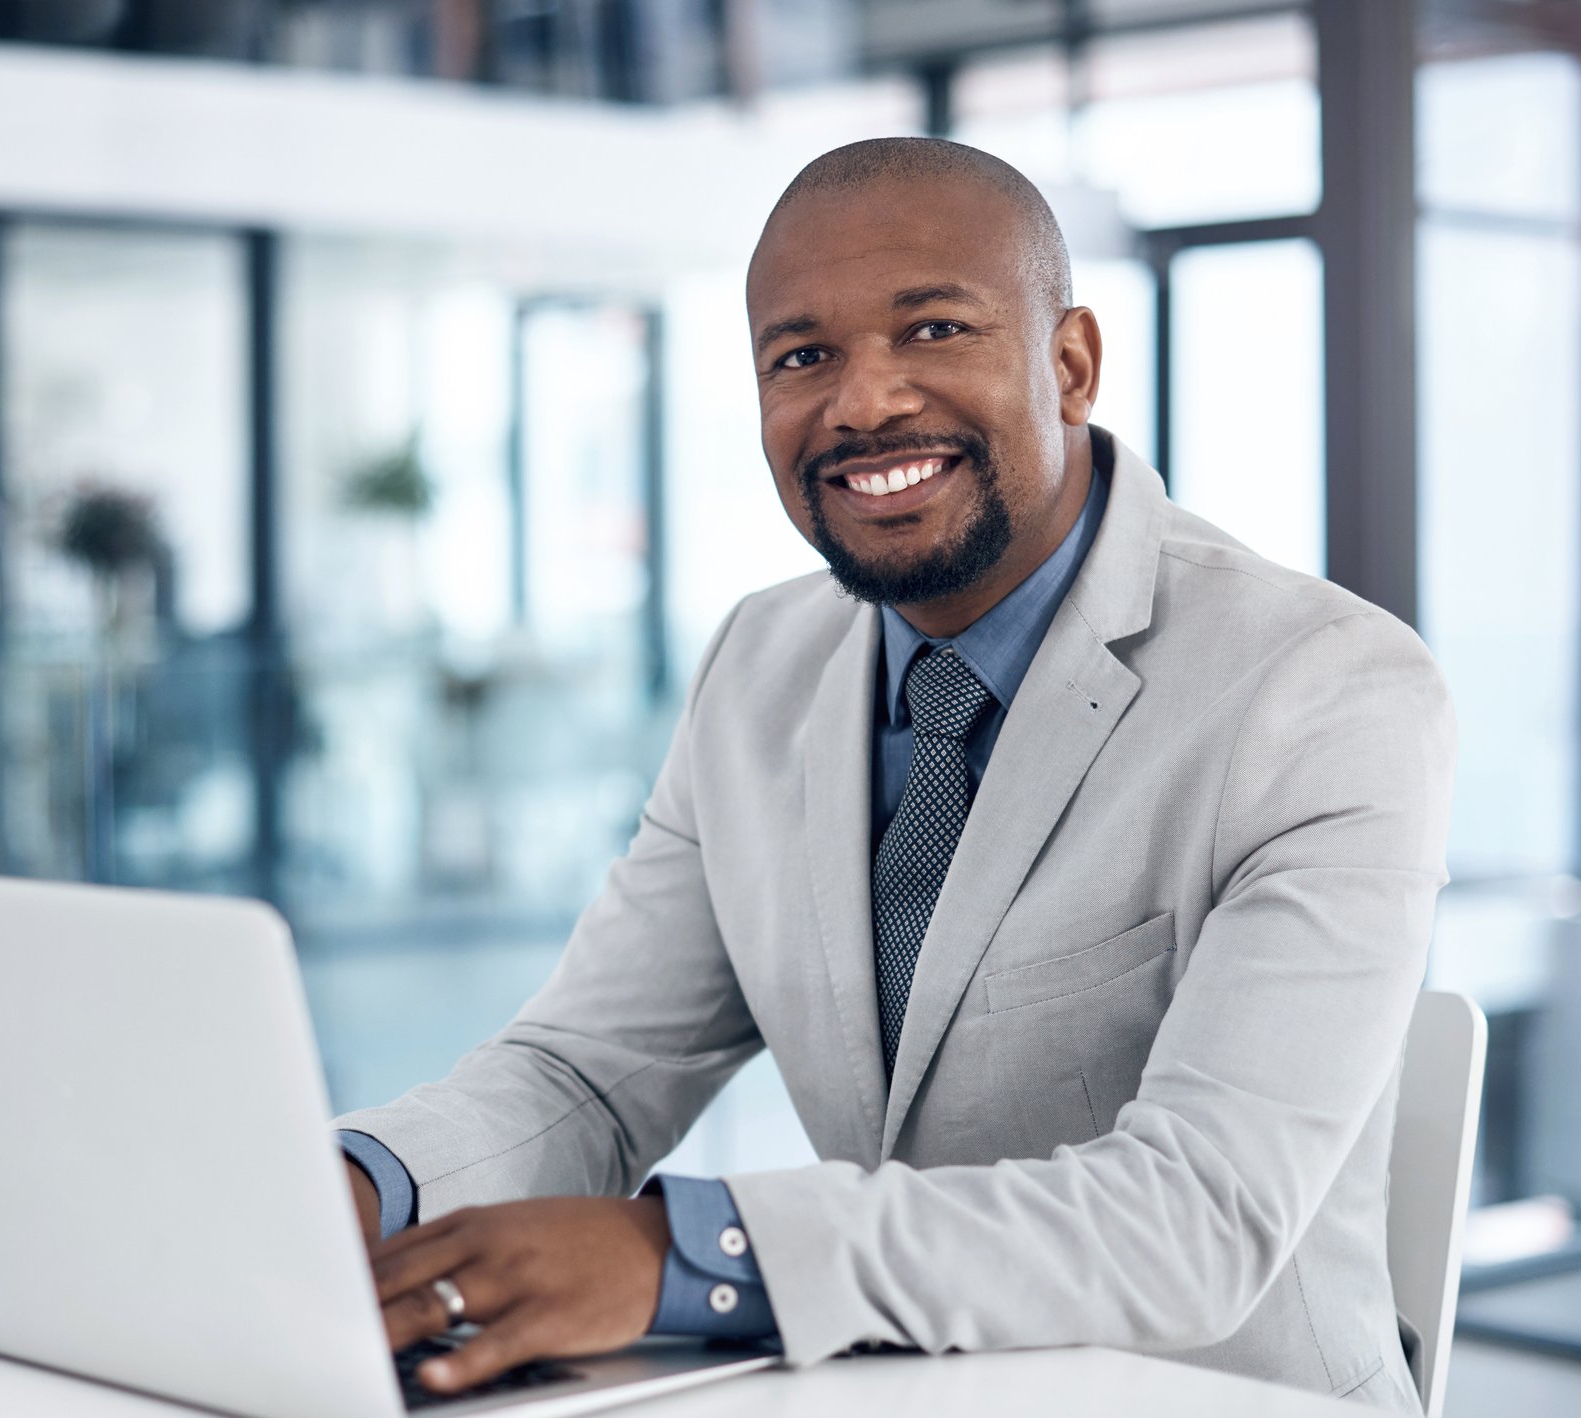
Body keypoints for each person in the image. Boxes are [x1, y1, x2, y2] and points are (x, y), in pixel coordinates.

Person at [334, 136, 1454, 1413]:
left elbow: (1191, 1215)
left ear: (1070, 363)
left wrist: (680, 1252)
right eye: (800, 356)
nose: (862, 403)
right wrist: (362, 1180)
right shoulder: (758, 661)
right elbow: (588, 1069)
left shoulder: (1321, 687)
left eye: (931, 329)